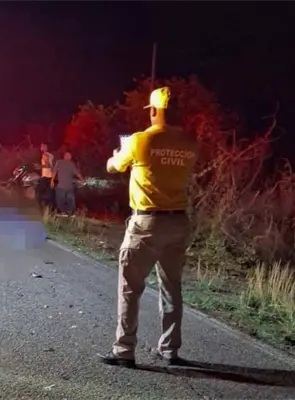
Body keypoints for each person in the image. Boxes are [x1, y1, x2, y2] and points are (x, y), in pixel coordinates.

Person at [97, 87, 199, 368]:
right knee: (171, 287)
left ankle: (124, 350)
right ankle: (170, 349)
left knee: (130, 287)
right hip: (178, 222)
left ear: (154, 111)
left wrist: (117, 154)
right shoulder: (191, 143)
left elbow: (113, 167)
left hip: (147, 223)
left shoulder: (140, 140)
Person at [51, 151, 84, 215]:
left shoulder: (71, 164)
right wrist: (52, 180)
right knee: (61, 200)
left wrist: (82, 180)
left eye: (70, 156)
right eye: (68, 156)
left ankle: (69, 212)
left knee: (70, 201)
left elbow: (77, 173)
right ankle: (63, 212)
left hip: (69, 187)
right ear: (64, 156)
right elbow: (54, 171)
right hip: (61, 187)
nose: (69, 157)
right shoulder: (59, 162)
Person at [36, 142, 55, 210]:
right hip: (50, 176)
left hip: (46, 176)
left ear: (45, 147)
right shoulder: (51, 155)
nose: (41, 147)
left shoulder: (45, 155)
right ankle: (49, 208)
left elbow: (48, 165)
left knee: (38, 193)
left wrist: (40, 166)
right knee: (49, 193)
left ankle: (41, 208)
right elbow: (52, 166)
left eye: (42, 146)